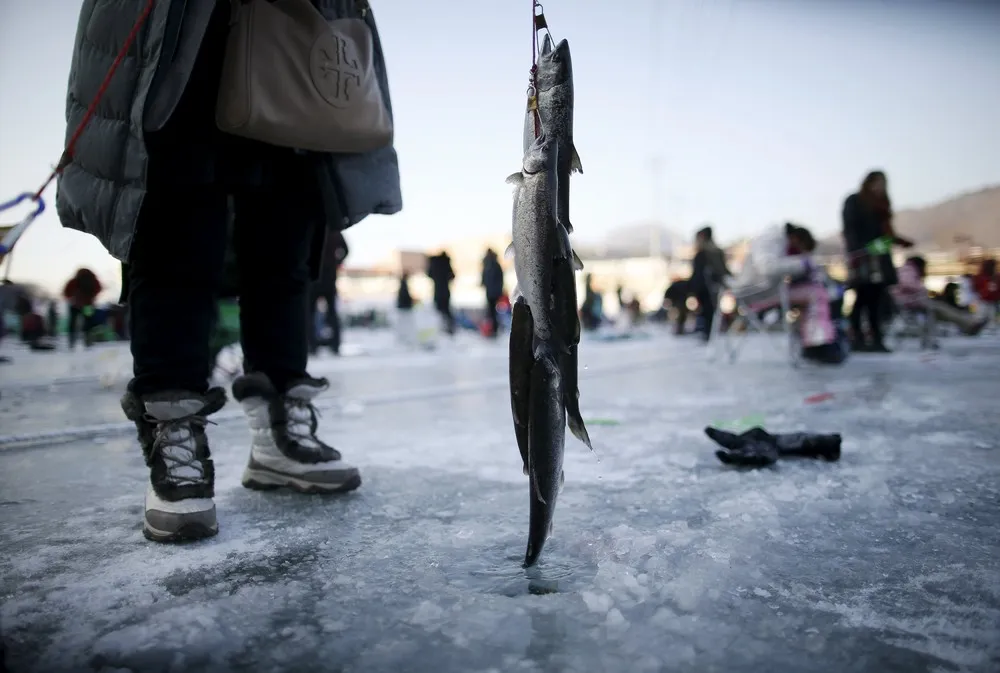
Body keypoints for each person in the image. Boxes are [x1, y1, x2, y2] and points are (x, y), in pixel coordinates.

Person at [56, 0, 401, 542]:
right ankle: (174, 432)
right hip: (184, 37)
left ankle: (278, 434)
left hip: (297, 42)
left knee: (286, 238)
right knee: (177, 228)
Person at [842, 170, 912, 353]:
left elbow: (886, 236)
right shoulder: (855, 202)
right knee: (862, 298)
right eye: (878, 183)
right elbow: (850, 230)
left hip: (879, 256)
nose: (880, 187)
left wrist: (898, 241)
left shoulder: (882, 208)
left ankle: (876, 338)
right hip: (862, 257)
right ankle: (857, 337)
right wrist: (857, 251)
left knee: (878, 299)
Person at [892, 256, 987, 337]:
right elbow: (908, 284)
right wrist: (923, 289)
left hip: (914, 303)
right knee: (941, 309)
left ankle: (969, 324)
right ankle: (969, 324)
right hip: (912, 304)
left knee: (942, 309)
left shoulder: (907, 270)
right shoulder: (908, 270)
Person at [310, 230, 349, 355]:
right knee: (330, 313)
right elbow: (345, 250)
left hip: (315, 278)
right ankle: (334, 344)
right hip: (326, 278)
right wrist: (336, 262)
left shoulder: (313, 231)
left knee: (311, 313)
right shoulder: (334, 231)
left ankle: (313, 345)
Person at [688, 226, 730, 342]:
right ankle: (706, 331)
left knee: (707, 309)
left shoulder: (703, 254)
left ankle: (706, 331)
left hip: (705, 287)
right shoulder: (716, 251)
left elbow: (698, 275)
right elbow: (724, 270)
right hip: (712, 287)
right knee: (709, 310)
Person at [62, 267, 102, 348]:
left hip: (75, 305)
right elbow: (99, 288)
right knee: (88, 322)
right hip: (88, 305)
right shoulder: (93, 280)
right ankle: (88, 340)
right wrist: (92, 297)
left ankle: (72, 341)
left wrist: (71, 298)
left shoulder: (74, 280)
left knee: (73, 323)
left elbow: (66, 292)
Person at [426, 252, 456, 335]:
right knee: (446, 310)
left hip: (437, 291)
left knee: (439, 310)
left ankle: (442, 327)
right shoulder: (446, 263)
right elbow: (452, 276)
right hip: (445, 291)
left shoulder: (434, 263)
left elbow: (429, 274)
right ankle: (449, 327)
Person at [481, 248, 504, 338]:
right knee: (491, 312)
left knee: (492, 312)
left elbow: (499, 279)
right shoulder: (491, 265)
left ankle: (494, 330)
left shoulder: (490, 265)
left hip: (492, 292)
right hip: (492, 292)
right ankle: (492, 329)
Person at [396, 273, 415, 347]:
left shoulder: (403, 284)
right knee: (405, 323)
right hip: (405, 308)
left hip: (403, 307)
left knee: (403, 323)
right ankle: (404, 336)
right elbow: (405, 297)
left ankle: (404, 336)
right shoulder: (404, 285)